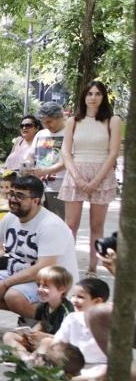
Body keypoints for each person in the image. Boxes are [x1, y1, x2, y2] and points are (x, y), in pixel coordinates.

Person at [0, 174, 78, 320]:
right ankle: (36, 313)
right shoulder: (10, 217)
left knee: (13, 296)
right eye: (12, 194)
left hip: (50, 282)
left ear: (36, 201)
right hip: (16, 274)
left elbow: (44, 268)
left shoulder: (51, 225)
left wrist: (5, 284)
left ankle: (53, 321)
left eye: (20, 196)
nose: (13, 199)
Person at [60, 80, 122, 275]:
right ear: (84, 96)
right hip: (76, 172)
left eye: (97, 94)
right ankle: (67, 265)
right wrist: (77, 178)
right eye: (89, 93)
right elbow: (66, 151)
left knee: (97, 226)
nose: (93, 97)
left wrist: (96, 181)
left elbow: (113, 153)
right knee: (71, 225)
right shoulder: (73, 121)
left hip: (102, 174)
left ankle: (93, 266)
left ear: (103, 97)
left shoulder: (113, 120)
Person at [1, 265, 72, 353]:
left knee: (46, 342)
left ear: (61, 289)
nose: (39, 289)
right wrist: (31, 334)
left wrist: (43, 336)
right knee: (8, 336)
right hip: (40, 343)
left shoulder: (67, 312)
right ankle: (25, 357)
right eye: (39, 285)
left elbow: (68, 340)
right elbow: (42, 323)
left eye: (45, 286)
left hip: (57, 346)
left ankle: (28, 357)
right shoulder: (44, 305)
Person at [28, 101, 69, 218]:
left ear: (60, 117)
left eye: (49, 121)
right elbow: (31, 154)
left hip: (60, 187)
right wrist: (27, 164)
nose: (47, 125)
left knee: (58, 222)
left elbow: (67, 163)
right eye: (44, 122)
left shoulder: (69, 134)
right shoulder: (40, 134)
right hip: (38, 188)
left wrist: (45, 171)